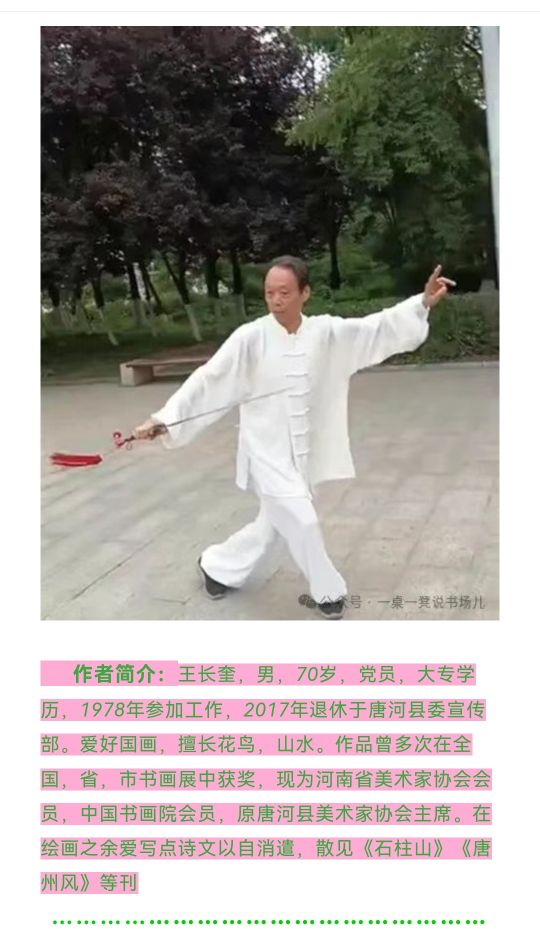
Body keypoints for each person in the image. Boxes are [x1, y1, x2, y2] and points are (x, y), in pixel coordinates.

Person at [135, 258, 455, 619]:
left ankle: (216, 567)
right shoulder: (250, 337)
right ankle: (328, 591)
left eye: (284, 292)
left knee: (271, 526)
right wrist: (164, 419)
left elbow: (374, 329)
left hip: (303, 455)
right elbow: (209, 379)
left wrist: (421, 303)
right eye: (269, 293)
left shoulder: (325, 332)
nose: (276, 300)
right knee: (303, 520)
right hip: (266, 454)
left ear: (305, 293)